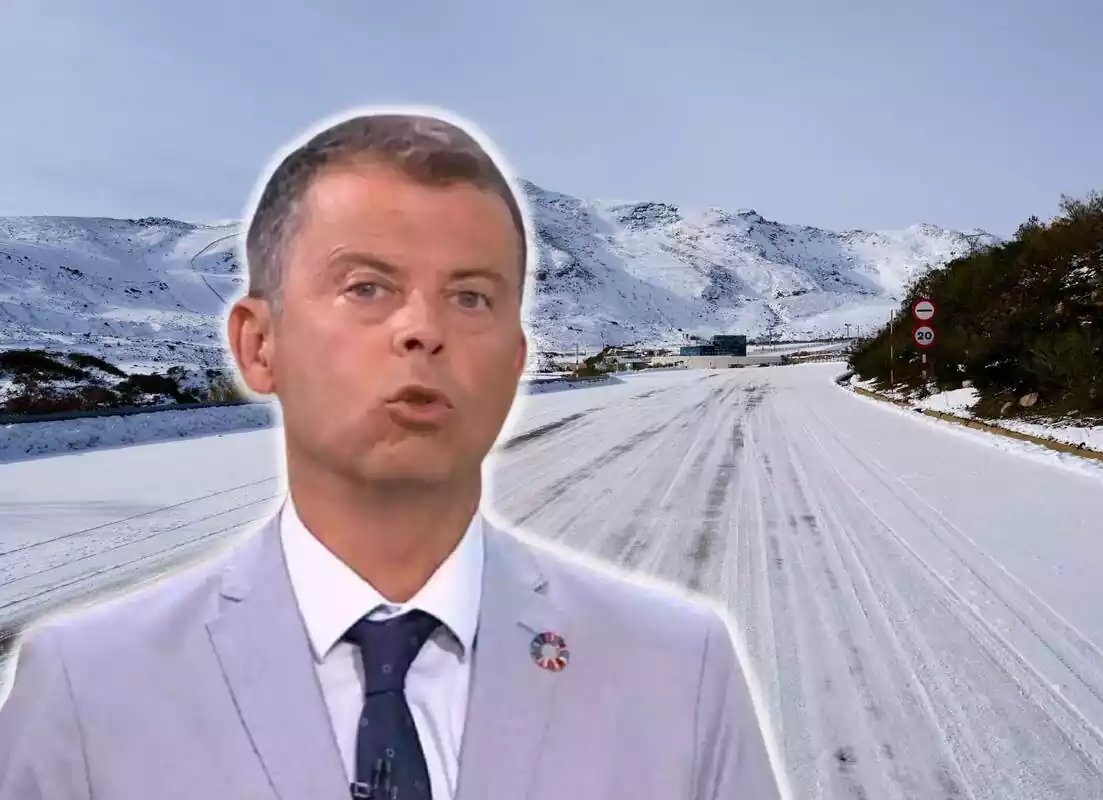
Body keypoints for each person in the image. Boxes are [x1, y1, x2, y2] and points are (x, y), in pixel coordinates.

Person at [0, 108, 784, 800]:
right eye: (367, 286)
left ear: (515, 360)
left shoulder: (681, 674)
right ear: (259, 344)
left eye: (470, 296)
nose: (423, 330)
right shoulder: (87, 691)